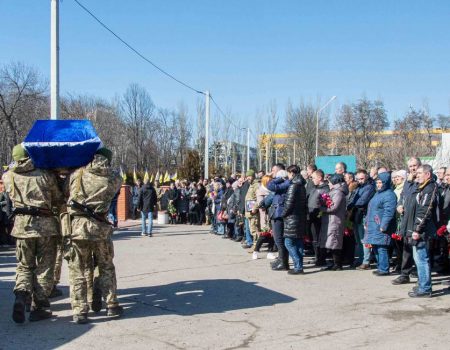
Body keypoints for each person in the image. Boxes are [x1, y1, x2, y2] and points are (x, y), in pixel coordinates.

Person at [3, 144, 64, 323]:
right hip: (45, 225)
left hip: (22, 226)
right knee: (44, 267)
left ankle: (21, 296)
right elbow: (58, 198)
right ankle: (40, 306)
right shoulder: (45, 174)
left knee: (24, 265)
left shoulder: (8, 176)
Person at [66, 148, 122, 324]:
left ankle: (80, 310)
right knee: (106, 267)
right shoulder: (114, 178)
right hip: (100, 228)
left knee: (78, 270)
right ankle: (111, 305)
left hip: (78, 228)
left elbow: (64, 190)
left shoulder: (77, 174)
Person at [403, 165, 438, 297]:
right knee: (418, 259)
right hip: (416, 228)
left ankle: (425, 288)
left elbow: (425, 211)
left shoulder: (430, 188)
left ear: (427, 174)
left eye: (419, 173)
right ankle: (422, 284)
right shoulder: (420, 187)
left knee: (422, 259)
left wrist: (417, 229)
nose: (416, 175)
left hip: (422, 230)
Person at [392, 157, 421, 285]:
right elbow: (402, 196)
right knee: (406, 249)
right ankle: (405, 274)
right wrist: (399, 206)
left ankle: (422, 276)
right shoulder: (408, 182)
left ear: (419, 165)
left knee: (419, 251)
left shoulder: (423, 180)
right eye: (410, 166)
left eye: (415, 166)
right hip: (406, 219)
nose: (413, 168)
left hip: (418, 220)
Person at [365, 172, 398, 276]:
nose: (378, 185)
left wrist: (383, 225)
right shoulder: (377, 193)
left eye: (380, 183)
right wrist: (367, 222)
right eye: (377, 182)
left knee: (382, 247)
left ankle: (384, 268)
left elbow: (389, 212)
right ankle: (380, 266)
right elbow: (371, 209)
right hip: (373, 224)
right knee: (375, 246)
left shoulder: (389, 195)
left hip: (380, 225)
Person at [319, 174, 348, 271]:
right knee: (331, 242)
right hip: (330, 220)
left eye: (330, 182)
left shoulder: (338, 193)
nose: (329, 184)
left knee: (335, 241)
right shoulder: (334, 192)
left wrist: (322, 209)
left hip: (335, 220)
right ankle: (334, 263)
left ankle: (338, 264)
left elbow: (334, 207)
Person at [282, 165, 307, 274]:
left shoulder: (293, 186)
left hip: (292, 218)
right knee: (298, 242)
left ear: (291, 173)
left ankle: (298, 266)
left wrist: (283, 214)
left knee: (289, 243)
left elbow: (289, 203)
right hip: (300, 217)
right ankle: (299, 266)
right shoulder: (302, 185)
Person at [348, 169, 375, 269]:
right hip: (356, 214)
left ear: (367, 177)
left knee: (364, 240)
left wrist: (351, 205)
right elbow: (352, 199)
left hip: (364, 215)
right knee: (358, 240)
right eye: (358, 179)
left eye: (362, 178)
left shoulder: (369, 187)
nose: (360, 180)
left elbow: (362, 201)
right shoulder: (358, 187)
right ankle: (360, 259)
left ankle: (366, 261)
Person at [267, 164, 291, 271]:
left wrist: (278, 179)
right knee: (278, 238)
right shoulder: (283, 182)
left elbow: (270, 185)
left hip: (279, 213)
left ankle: (284, 262)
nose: (272, 173)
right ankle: (281, 259)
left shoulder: (285, 182)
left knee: (279, 238)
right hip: (276, 212)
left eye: (273, 171)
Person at [308, 170, 329, 266]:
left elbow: (326, 204)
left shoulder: (325, 189)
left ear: (320, 178)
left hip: (319, 217)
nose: (312, 180)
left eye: (313, 178)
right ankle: (317, 257)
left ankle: (322, 258)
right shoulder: (314, 188)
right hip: (312, 216)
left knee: (320, 238)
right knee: (314, 238)